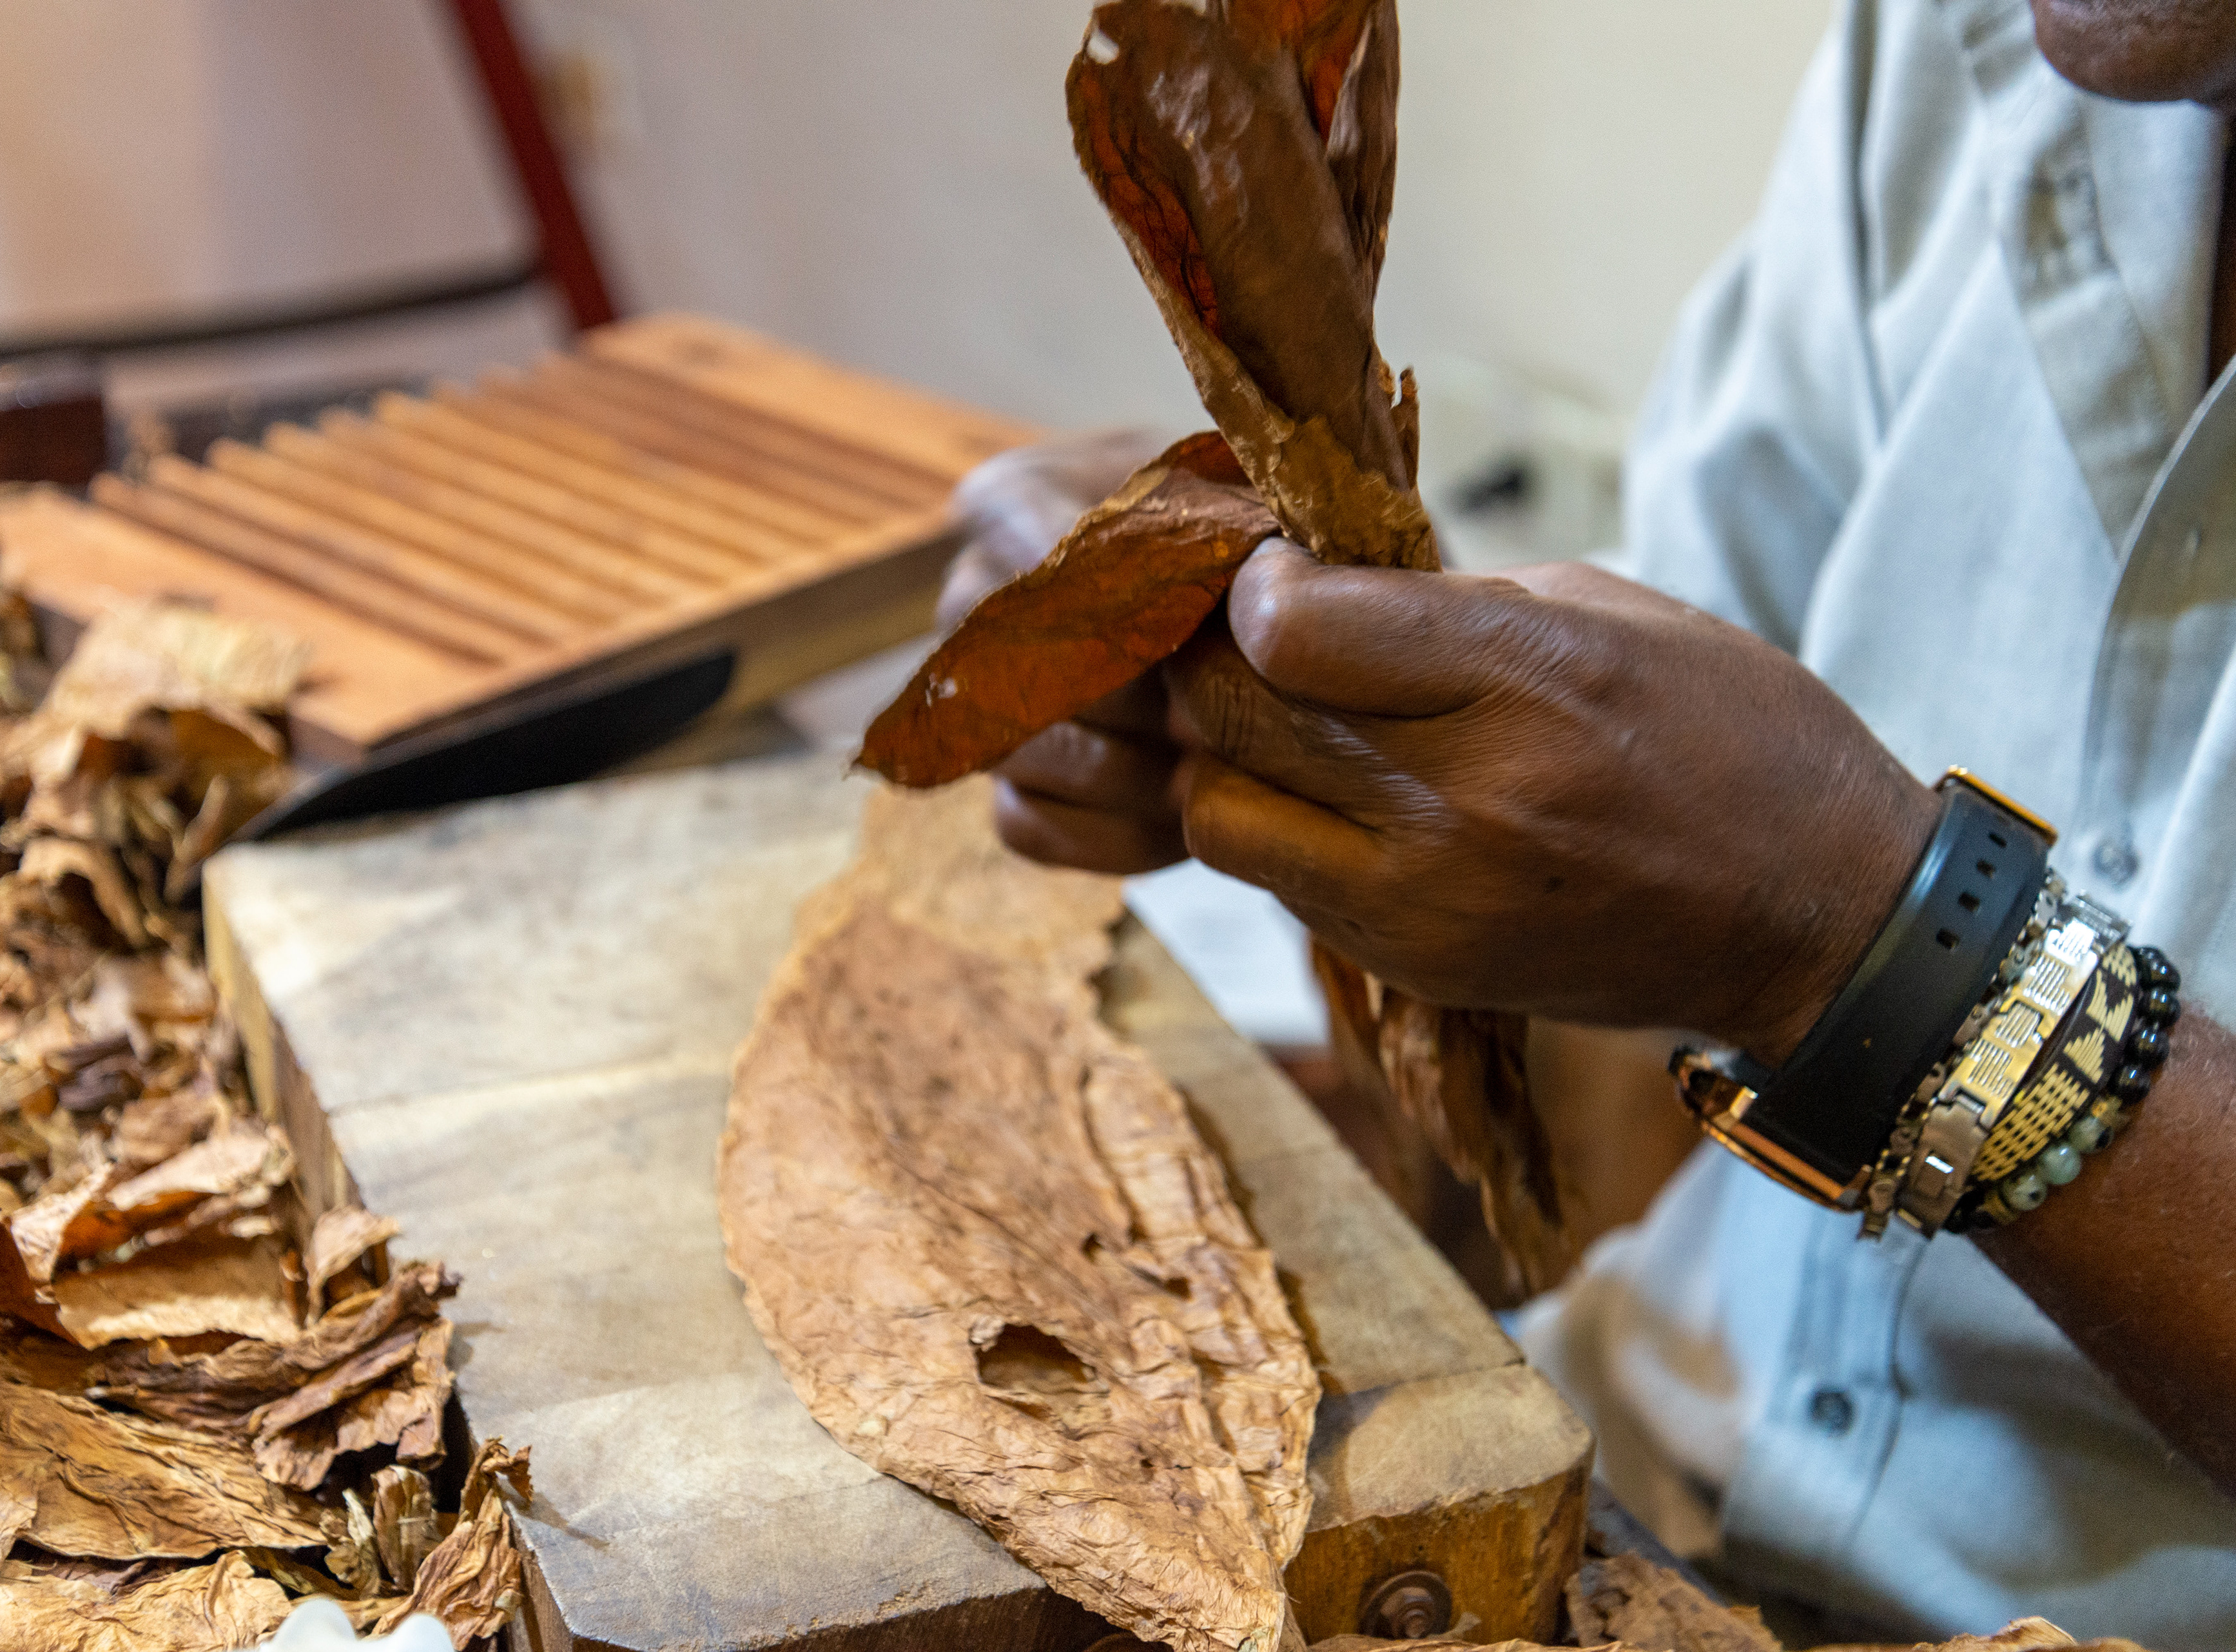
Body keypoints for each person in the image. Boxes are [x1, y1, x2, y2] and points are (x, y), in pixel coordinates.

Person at [944, 0, 2236, 1639]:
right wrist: (1301, 720)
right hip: (1625, 1464)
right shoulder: (1972, 46)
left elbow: (1780, 904)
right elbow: (1632, 929)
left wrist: (1873, 946)